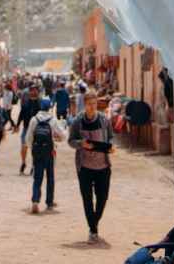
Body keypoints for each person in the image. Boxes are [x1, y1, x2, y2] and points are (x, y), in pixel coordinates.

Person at [69, 90, 115, 244]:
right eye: (89, 104)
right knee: (87, 199)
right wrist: (81, 143)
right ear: (84, 104)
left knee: (103, 198)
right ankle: (93, 230)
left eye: (94, 104)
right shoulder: (77, 121)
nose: (92, 107)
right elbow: (70, 141)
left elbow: (111, 137)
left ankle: (94, 222)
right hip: (84, 167)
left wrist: (111, 146)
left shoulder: (104, 120)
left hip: (103, 166)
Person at [25, 98, 63, 213]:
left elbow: (28, 139)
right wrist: (57, 139)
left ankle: (35, 201)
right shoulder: (53, 120)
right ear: (49, 107)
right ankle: (49, 203)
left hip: (37, 152)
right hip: (49, 152)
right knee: (50, 177)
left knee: (37, 177)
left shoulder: (34, 119)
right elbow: (63, 135)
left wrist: (33, 149)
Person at [17, 85, 41, 175]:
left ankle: (34, 165)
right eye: (32, 90)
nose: (33, 92)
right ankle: (23, 162)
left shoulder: (40, 104)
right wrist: (17, 125)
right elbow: (21, 114)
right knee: (24, 147)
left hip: (36, 130)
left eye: (35, 90)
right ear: (29, 92)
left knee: (35, 149)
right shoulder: (26, 103)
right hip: (26, 128)